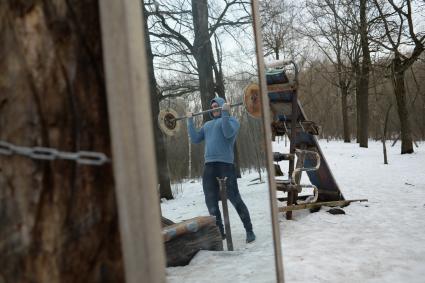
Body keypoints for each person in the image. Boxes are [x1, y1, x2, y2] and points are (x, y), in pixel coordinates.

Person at [187, 97, 256, 243]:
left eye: (216, 105)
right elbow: (194, 139)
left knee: (235, 198)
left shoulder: (232, 121)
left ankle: (249, 230)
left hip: (225, 165)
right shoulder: (207, 125)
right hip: (209, 167)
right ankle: (220, 232)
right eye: (212, 106)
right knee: (210, 200)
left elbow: (227, 133)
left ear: (222, 106)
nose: (214, 108)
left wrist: (226, 113)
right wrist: (189, 121)